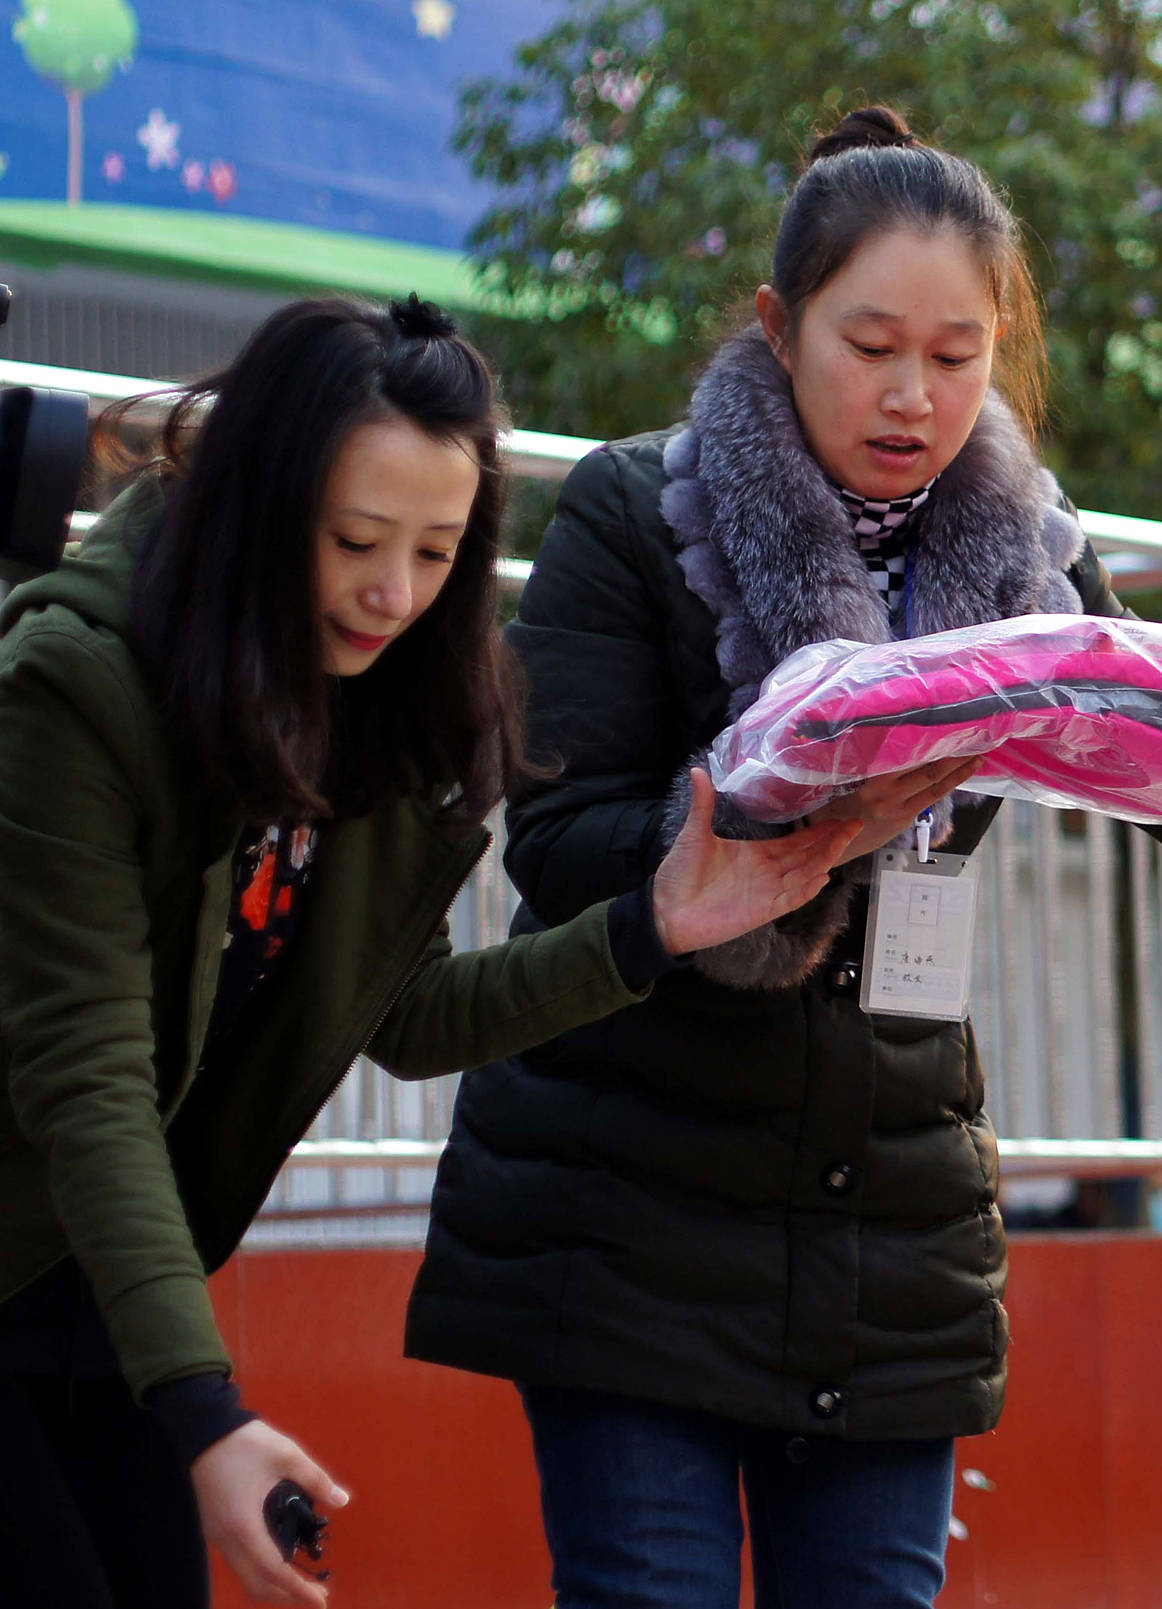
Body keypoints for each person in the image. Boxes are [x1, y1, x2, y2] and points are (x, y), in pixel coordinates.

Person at [399, 107, 1162, 1609]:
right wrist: (770, 819)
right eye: (869, 345)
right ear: (778, 324)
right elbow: (561, 840)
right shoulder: (638, 513)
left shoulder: (1026, 548)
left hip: (888, 1213)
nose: (913, 395)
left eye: (956, 355)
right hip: (626, 1205)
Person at [0, 298, 854, 1609]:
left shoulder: (366, 702)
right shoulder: (76, 688)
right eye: (354, 540)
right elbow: (91, 1080)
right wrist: (207, 1409)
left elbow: (395, 1015)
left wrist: (653, 927)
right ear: (257, 505)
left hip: (102, 1298)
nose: (394, 592)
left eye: (438, 551)